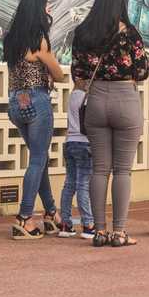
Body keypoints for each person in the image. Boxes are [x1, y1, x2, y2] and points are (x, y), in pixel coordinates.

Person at [72, 0, 149, 247]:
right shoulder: (129, 33)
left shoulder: (83, 32)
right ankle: (119, 232)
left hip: (95, 100)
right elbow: (142, 71)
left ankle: (99, 231)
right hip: (125, 100)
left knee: (99, 169)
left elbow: (78, 73)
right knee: (123, 171)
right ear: (122, 3)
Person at [5, 0, 65, 240]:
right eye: (46, 7)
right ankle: (24, 217)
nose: (49, 10)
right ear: (38, 12)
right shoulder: (39, 41)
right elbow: (59, 74)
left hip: (17, 101)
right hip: (36, 100)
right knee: (38, 160)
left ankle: (50, 213)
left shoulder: (12, 40)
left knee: (38, 160)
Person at [58, 79, 95, 239]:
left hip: (70, 142)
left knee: (69, 185)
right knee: (83, 185)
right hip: (84, 143)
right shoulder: (88, 97)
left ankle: (66, 224)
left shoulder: (73, 95)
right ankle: (88, 224)